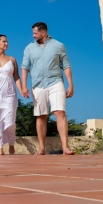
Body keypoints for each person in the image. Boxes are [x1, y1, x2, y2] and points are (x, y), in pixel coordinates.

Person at [20, 22, 75, 155]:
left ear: (43, 33)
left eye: (35, 33)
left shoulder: (58, 46)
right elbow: (25, 67)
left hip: (56, 82)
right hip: (38, 85)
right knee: (41, 115)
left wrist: (70, 84)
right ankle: (42, 148)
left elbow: (66, 65)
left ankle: (65, 147)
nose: (33, 35)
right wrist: (24, 85)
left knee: (60, 112)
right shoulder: (29, 48)